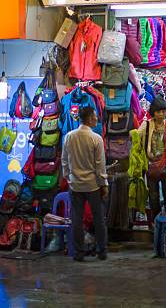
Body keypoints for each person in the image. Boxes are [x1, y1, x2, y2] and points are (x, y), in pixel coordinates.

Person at [62, 107, 109, 262]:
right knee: (99, 218)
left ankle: (79, 252)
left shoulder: (69, 137)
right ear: (89, 119)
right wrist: (104, 184)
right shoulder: (96, 139)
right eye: (95, 117)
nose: (96, 119)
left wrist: (68, 178)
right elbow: (100, 166)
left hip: (75, 185)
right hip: (93, 185)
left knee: (76, 219)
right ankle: (102, 251)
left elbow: (64, 161)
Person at [138, 96, 166, 222]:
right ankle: (155, 221)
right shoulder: (146, 125)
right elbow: (136, 136)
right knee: (153, 196)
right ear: (153, 113)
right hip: (151, 167)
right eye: (158, 112)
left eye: (163, 112)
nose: (161, 114)